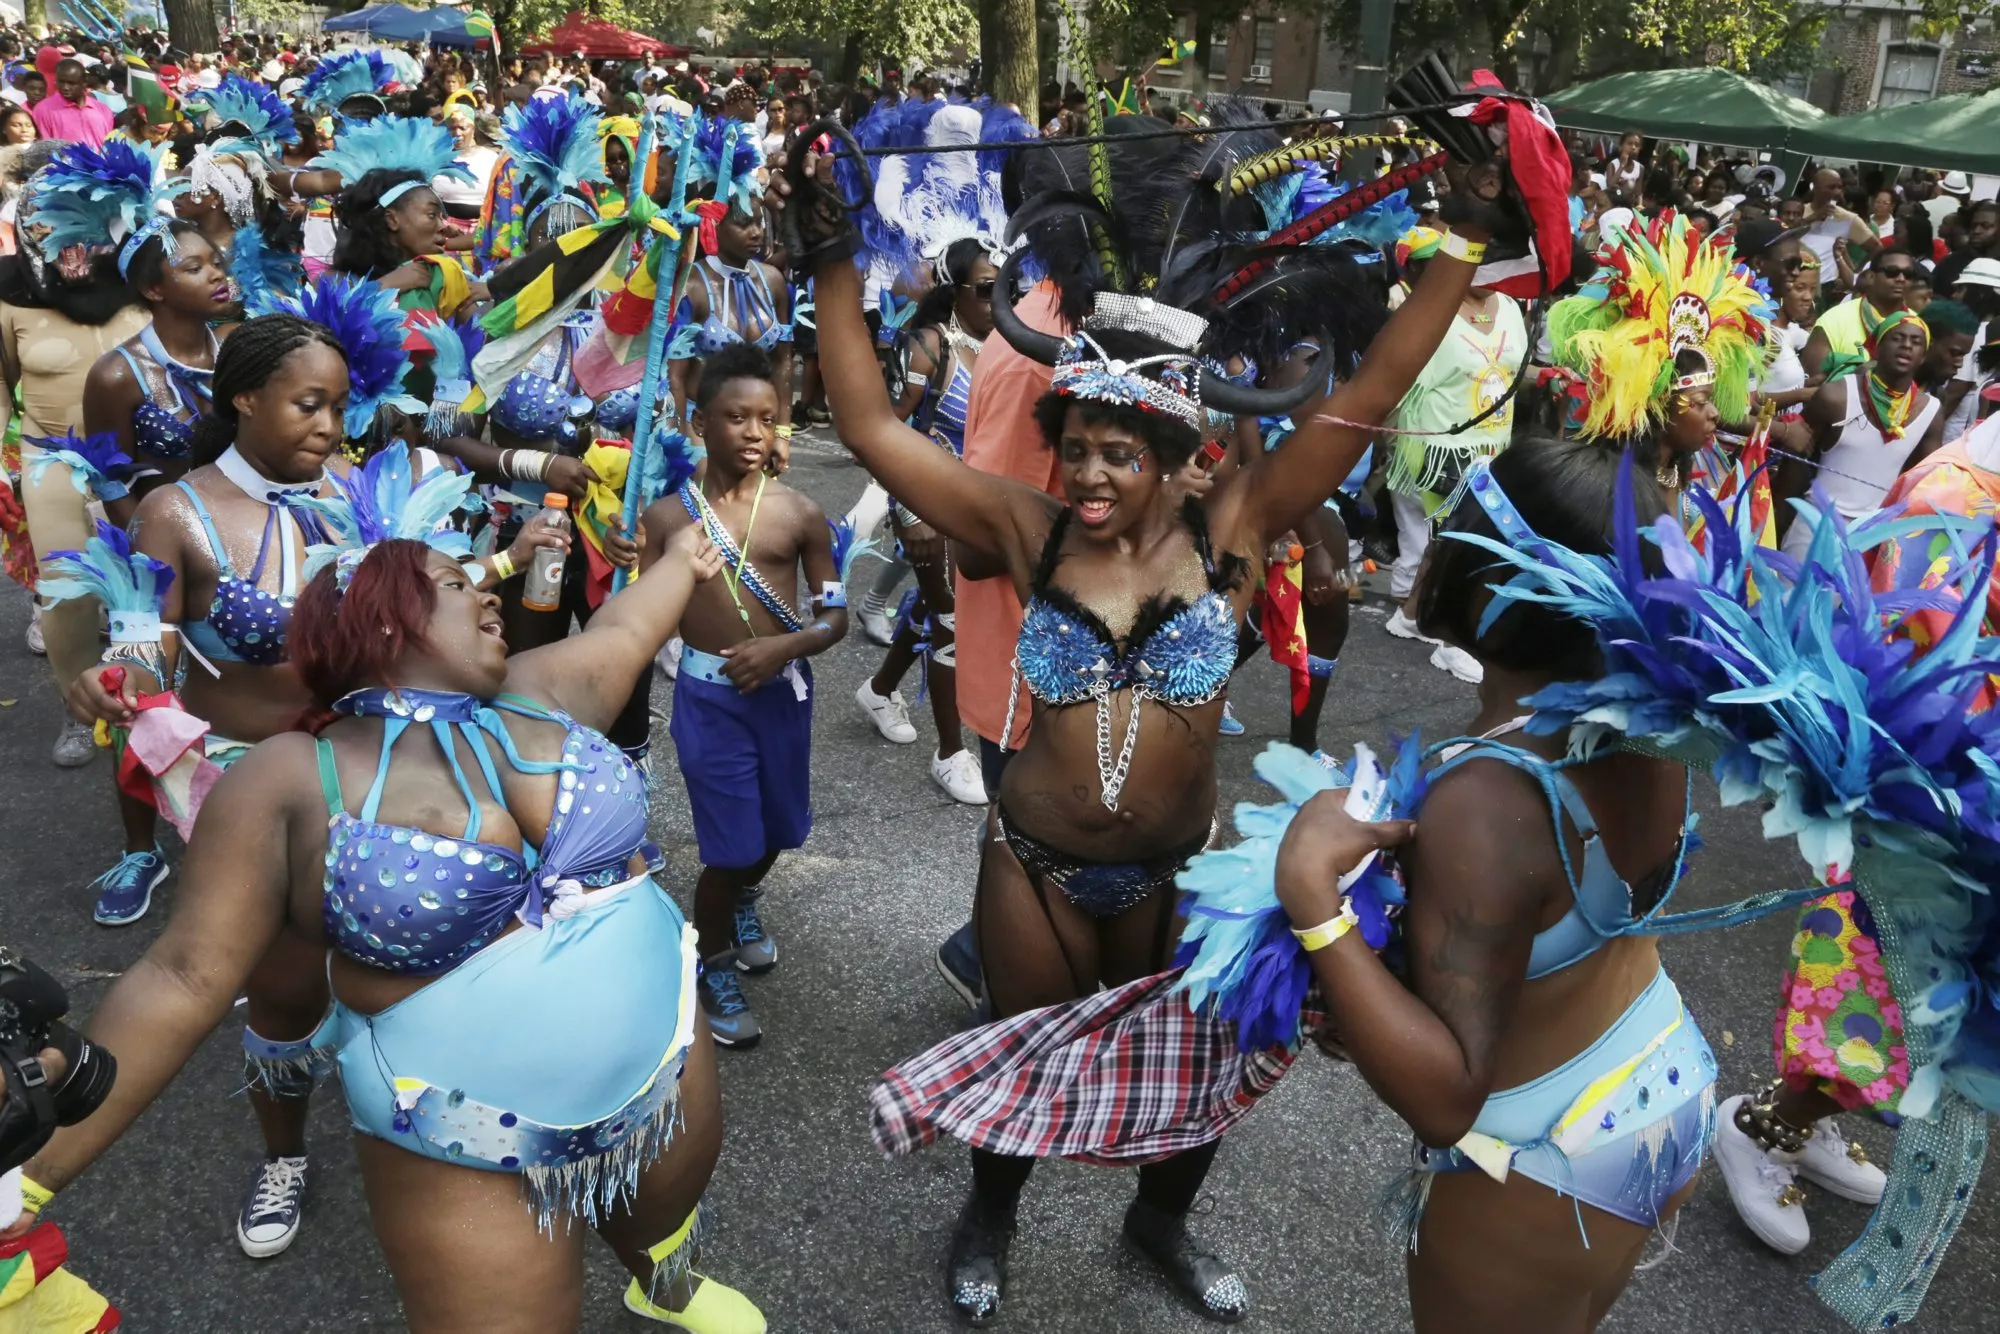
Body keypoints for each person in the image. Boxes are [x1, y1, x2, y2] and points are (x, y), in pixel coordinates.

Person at [795, 100, 1526, 1320]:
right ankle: (990, 1209)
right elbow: (868, 425)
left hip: (1176, 871)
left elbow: (1372, 387)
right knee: (1023, 1057)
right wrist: (829, 262)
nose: (1084, 474)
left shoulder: (1233, 529)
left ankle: (1159, 1221)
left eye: (1114, 454)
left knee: (1204, 1072)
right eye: (1072, 447)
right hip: (1031, 865)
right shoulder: (1021, 531)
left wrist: (1459, 230)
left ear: (1177, 452)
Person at [15, 435, 768, 1334]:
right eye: (457, 584)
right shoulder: (291, 778)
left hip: (666, 1066)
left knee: (664, 1222)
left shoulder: (545, 687)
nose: (489, 590)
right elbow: (183, 977)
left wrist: (691, 547)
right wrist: (29, 1169)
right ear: (381, 618)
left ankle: (662, 1280)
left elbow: (628, 624)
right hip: (463, 1142)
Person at [1275, 435, 1709, 1332]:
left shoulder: (1485, 797)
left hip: (1547, 1155)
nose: (1436, 540)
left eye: (1460, 525)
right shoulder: (1650, 728)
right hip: (1660, 1081)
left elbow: (1446, 1098)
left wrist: (1312, 898)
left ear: (1494, 576)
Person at [638, 344, 848, 1050]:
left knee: (781, 831)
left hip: (783, 695)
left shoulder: (801, 514)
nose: (755, 432)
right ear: (700, 424)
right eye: (736, 417)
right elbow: (643, 613)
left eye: (768, 418)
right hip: (707, 701)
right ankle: (710, 956)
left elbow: (836, 615)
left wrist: (784, 646)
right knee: (730, 851)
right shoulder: (668, 518)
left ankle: (744, 899)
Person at [0, 145, 151, 774]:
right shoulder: (8, 292)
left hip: (144, 462)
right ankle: (77, 702)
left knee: (147, 588)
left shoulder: (147, 275)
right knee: (67, 598)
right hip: (52, 459)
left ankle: (145, 696)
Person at [853, 239, 997, 806]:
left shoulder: (1002, 345)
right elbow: (885, 436)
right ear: (955, 290)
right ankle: (951, 753)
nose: (997, 300)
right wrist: (908, 511)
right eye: (986, 289)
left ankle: (879, 689)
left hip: (977, 506)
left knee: (938, 608)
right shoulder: (927, 344)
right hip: (928, 504)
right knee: (953, 619)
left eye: (1005, 289)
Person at [1381, 227, 1527, 685]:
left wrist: (1547, 377)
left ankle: (1408, 615)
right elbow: (1392, 372)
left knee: (1447, 539)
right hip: (1441, 445)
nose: (1489, 271)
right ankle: (1451, 642)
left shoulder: (1511, 308)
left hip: (1493, 446)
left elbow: (1508, 368)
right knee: (1468, 543)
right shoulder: (1428, 311)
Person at [1777, 305, 1952, 559]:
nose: (1906, 345)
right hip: (1814, 526)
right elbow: (1794, 460)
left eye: (1916, 341)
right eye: (1897, 337)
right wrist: (1778, 520)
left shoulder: (1931, 412)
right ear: (1877, 347)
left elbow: (1920, 482)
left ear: (1924, 356)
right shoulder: (1835, 395)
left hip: (1874, 538)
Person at [1802, 247, 1914, 377]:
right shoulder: (1834, 320)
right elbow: (1813, 381)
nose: (1901, 278)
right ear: (1871, 276)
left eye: (1908, 274)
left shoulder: (1917, 324)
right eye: (1892, 272)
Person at [1798, 167, 1880, 298]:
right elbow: (1783, 236)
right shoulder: (1798, 211)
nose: (1837, 192)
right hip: (1795, 283)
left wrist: (1856, 275)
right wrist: (1812, 219)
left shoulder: (1847, 218)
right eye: (1831, 187)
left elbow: (1877, 248)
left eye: (1839, 187)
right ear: (1816, 188)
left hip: (1825, 290)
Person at [29, 59, 113, 146]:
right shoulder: (42, 110)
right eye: (61, 82)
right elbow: (44, 149)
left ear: (84, 82)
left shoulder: (104, 111)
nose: (65, 87)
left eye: (71, 83)